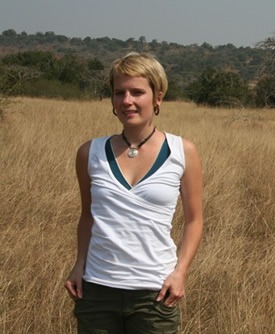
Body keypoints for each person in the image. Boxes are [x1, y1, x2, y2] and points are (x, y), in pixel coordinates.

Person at [64, 52, 203, 333]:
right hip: (98, 289)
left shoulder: (182, 151)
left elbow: (194, 220)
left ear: (158, 97)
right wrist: (79, 265)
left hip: (155, 293)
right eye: (119, 92)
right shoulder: (89, 152)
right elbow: (88, 216)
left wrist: (180, 273)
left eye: (137, 92)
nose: (127, 101)